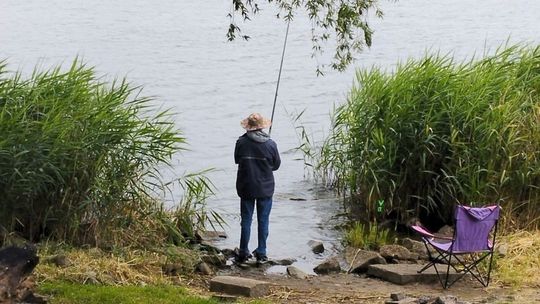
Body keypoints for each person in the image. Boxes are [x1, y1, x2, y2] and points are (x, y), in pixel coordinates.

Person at [234, 113, 281, 263]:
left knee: (246, 219)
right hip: (265, 188)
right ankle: (262, 253)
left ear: (248, 127)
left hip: (246, 186)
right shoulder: (271, 144)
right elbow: (276, 165)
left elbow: (236, 160)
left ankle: (243, 251)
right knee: (263, 220)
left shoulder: (241, 142)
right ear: (262, 126)